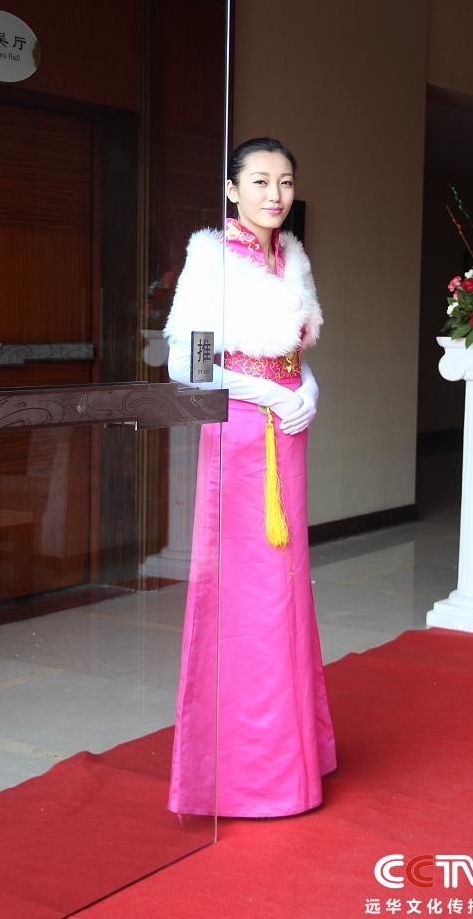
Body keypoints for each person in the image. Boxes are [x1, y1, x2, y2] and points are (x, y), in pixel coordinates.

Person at [164, 137, 336, 818]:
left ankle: (294, 756)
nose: (274, 193)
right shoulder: (212, 259)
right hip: (240, 436)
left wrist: (306, 390)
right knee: (246, 594)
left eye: (285, 181)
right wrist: (267, 394)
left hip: (286, 432)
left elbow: (294, 351)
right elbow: (187, 362)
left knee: (286, 586)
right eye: (259, 181)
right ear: (233, 190)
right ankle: (246, 773)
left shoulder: (290, 255)